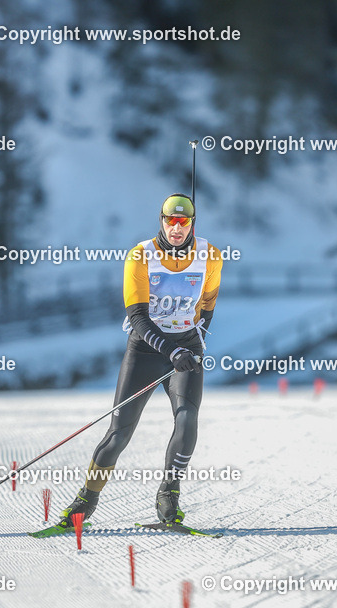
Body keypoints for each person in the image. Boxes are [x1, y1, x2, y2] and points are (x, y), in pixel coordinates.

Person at [58, 193, 223, 527]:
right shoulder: (140, 255)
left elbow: (207, 304)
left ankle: (168, 496)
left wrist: (196, 338)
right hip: (147, 350)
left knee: (187, 418)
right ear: (160, 220)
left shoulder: (211, 256)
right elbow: (137, 317)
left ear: (192, 224)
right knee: (119, 434)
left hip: (186, 349)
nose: (176, 228)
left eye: (183, 222)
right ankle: (85, 501)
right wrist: (171, 351)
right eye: (170, 221)